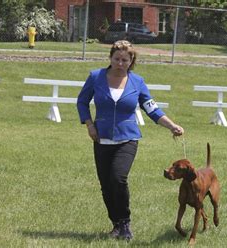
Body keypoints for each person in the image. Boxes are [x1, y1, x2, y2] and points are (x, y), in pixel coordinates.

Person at [77, 40, 184, 241]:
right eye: (116, 59)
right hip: (102, 139)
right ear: (110, 58)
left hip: (128, 138)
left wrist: (172, 125)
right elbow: (82, 101)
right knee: (106, 185)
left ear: (131, 60)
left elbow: (151, 108)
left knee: (118, 178)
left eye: (124, 60)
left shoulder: (137, 82)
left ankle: (125, 222)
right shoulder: (96, 77)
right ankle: (116, 224)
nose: (120, 63)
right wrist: (89, 125)